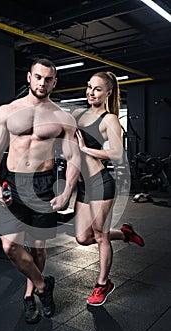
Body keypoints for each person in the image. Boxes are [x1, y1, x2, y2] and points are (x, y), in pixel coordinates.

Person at [0, 58, 80, 323]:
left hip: (43, 185)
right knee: (10, 246)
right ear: (29, 77)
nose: (42, 83)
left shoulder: (63, 117)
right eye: (38, 77)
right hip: (13, 182)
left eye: (48, 79)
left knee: (38, 250)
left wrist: (67, 191)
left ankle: (29, 296)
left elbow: (74, 156)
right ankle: (42, 285)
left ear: (54, 82)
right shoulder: (7, 111)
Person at [73, 71, 144, 307]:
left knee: (101, 236)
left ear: (108, 93)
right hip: (84, 186)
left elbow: (116, 154)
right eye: (89, 87)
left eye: (97, 89)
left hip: (101, 183)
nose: (91, 92)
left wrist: (87, 150)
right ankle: (124, 233)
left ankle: (103, 284)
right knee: (83, 238)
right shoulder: (80, 115)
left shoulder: (109, 119)